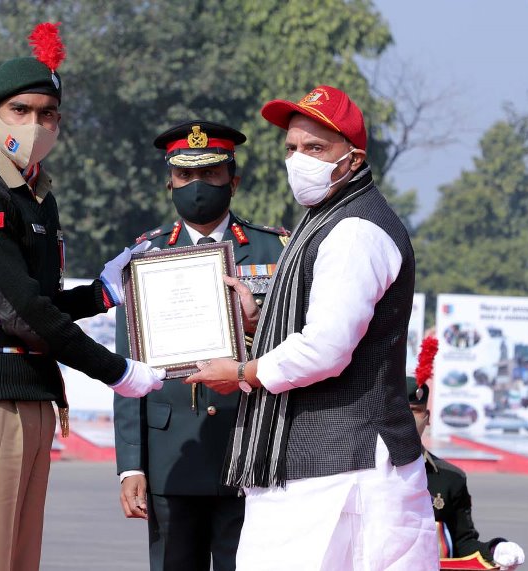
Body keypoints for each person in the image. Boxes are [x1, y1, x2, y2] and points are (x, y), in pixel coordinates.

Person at [0, 23, 163, 571]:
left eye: (48, 114)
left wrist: (103, 293)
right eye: (21, 110)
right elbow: (22, 312)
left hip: (31, 397)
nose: (36, 124)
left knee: (19, 562)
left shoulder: (36, 199)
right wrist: (116, 371)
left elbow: (43, 299)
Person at [186, 85, 437, 570]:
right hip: (319, 468)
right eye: (292, 149)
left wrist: (243, 371)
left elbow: (326, 348)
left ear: (353, 157)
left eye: (316, 148)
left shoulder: (354, 230)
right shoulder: (327, 219)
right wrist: (260, 323)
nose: (299, 160)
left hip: (344, 468)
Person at [113, 120, 288, 571]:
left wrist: (252, 330)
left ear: (234, 180)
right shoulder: (142, 257)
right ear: (169, 180)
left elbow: (296, 348)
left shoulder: (277, 251)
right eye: (186, 175)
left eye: (210, 174)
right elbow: (126, 370)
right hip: (171, 455)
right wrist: (131, 466)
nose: (197, 186)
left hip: (250, 450)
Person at [407, 353, 526, 569]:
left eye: (415, 411)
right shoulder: (364, 469)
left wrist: (494, 550)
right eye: (399, 411)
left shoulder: (450, 478)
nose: (407, 419)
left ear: (428, 417)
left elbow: (463, 543)